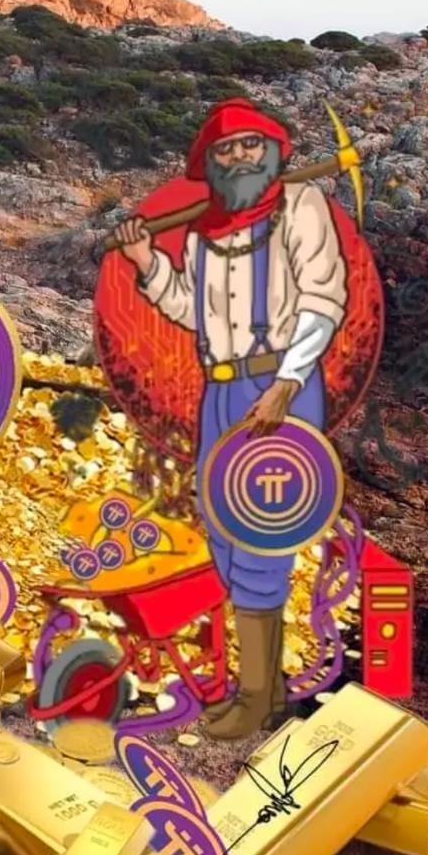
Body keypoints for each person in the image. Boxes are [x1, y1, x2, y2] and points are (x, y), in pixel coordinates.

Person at [114, 98, 347, 739]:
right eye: (226, 149)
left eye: (250, 144)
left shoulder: (302, 207)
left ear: (272, 152)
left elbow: (323, 301)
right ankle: (266, 693)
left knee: (262, 537)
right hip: (220, 393)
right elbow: (194, 312)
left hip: (280, 385)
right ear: (211, 163)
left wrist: (286, 385)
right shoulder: (204, 233)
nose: (240, 156)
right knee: (224, 535)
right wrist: (147, 264)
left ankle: (254, 698)